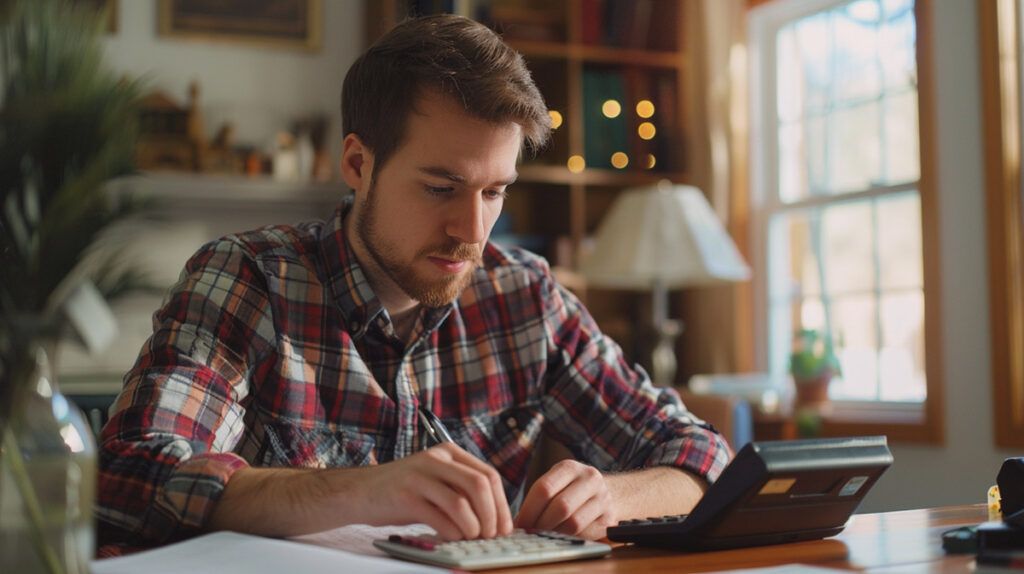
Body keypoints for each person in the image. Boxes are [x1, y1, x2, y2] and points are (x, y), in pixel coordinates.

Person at [96, 14, 731, 551]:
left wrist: (609, 495)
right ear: (357, 163)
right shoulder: (250, 279)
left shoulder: (526, 299)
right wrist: (365, 490)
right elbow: (129, 476)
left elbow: (703, 456)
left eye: (495, 192)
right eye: (440, 188)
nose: (472, 228)